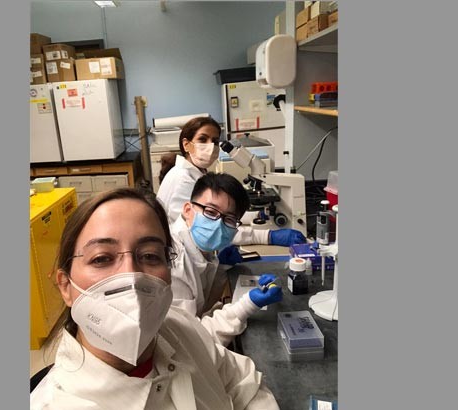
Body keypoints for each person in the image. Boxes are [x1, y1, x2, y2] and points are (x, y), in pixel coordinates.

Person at [30, 187, 279, 409]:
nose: (132, 276)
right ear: (65, 286)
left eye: (149, 256)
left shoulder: (179, 326)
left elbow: (243, 381)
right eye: (102, 258)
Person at [155, 116, 306, 253]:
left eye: (214, 141)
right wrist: (267, 236)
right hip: (182, 255)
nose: (211, 146)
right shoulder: (183, 180)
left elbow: (215, 213)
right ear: (187, 145)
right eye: (203, 139)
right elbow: (212, 230)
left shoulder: (194, 172)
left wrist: (255, 215)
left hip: (194, 253)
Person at [169, 172, 283, 346]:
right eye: (210, 211)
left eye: (229, 219)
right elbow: (188, 341)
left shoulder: (197, 247)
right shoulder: (173, 261)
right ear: (187, 210)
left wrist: (221, 269)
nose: (218, 224)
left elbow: (200, 305)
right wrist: (247, 305)